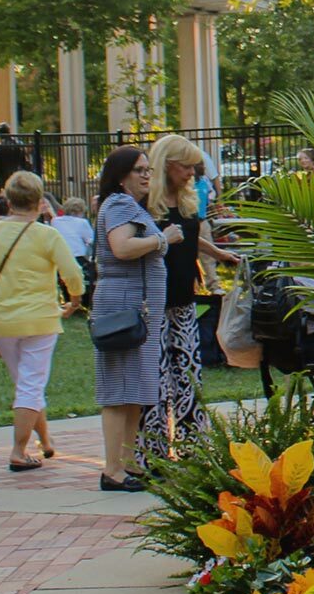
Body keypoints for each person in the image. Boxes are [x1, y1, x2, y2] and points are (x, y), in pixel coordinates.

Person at [139, 134, 241, 467]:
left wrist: (220, 253)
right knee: (154, 378)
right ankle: (153, 452)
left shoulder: (184, 201)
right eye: (187, 167)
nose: (192, 175)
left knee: (188, 372)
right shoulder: (142, 204)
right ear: (168, 165)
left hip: (183, 297)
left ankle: (193, 446)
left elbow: (193, 237)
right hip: (152, 301)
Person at [0, 171, 85, 472]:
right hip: (40, 318)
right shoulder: (47, 235)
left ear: (8, 201)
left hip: (2, 320)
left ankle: (45, 442)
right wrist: (75, 298)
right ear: (40, 202)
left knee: (27, 384)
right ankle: (18, 451)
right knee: (31, 385)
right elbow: (72, 273)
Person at [92, 145, 181, 492]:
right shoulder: (118, 204)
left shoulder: (127, 205)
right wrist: (163, 239)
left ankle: (128, 465)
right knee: (118, 392)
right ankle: (112, 470)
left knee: (133, 392)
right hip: (122, 308)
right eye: (139, 170)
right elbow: (122, 247)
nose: (147, 175)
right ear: (121, 176)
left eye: (148, 169)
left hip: (137, 310)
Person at [53, 197, 96, 303]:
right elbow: (91, 240)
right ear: (80, 211)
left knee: (63, 279)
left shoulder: (55, 221)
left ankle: (67, 299)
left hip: (61, 255)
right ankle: (83, 300)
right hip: (78, 255)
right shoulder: (82, 222)